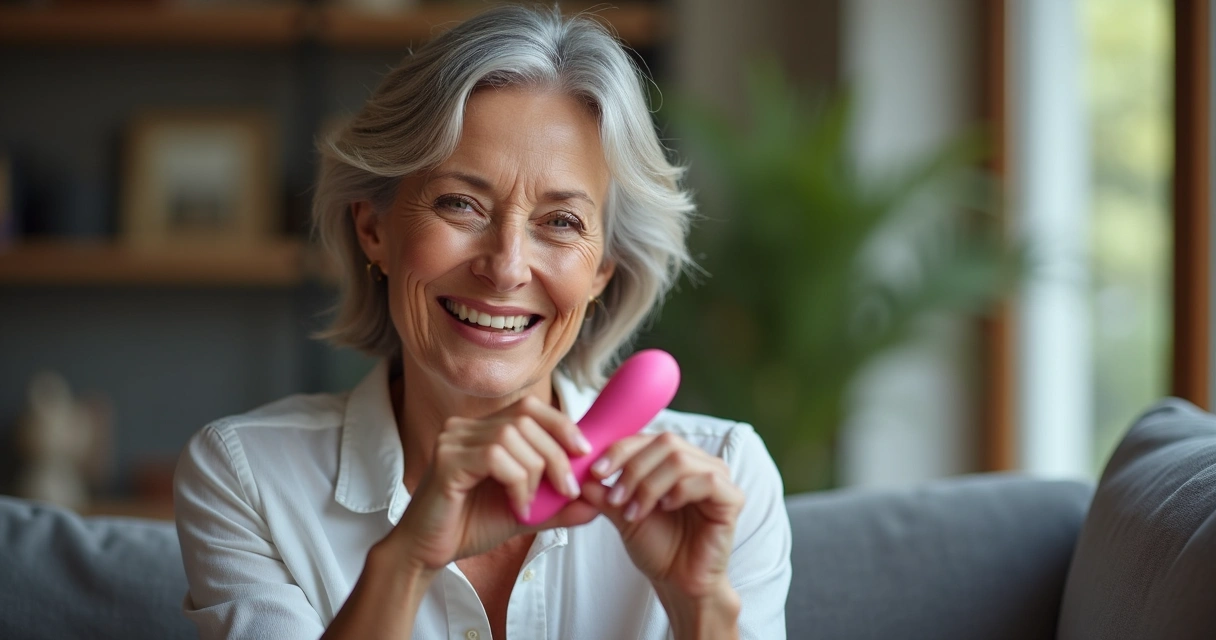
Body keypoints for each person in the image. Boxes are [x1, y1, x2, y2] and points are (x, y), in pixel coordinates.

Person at [173, 5, 791, 639]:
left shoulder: (725, 476)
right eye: (460, 204)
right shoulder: (247, 476)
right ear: (373, 228)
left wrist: (701, 607)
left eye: (561, 222)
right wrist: (406, 559)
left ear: (603, 268)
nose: (506, 268)